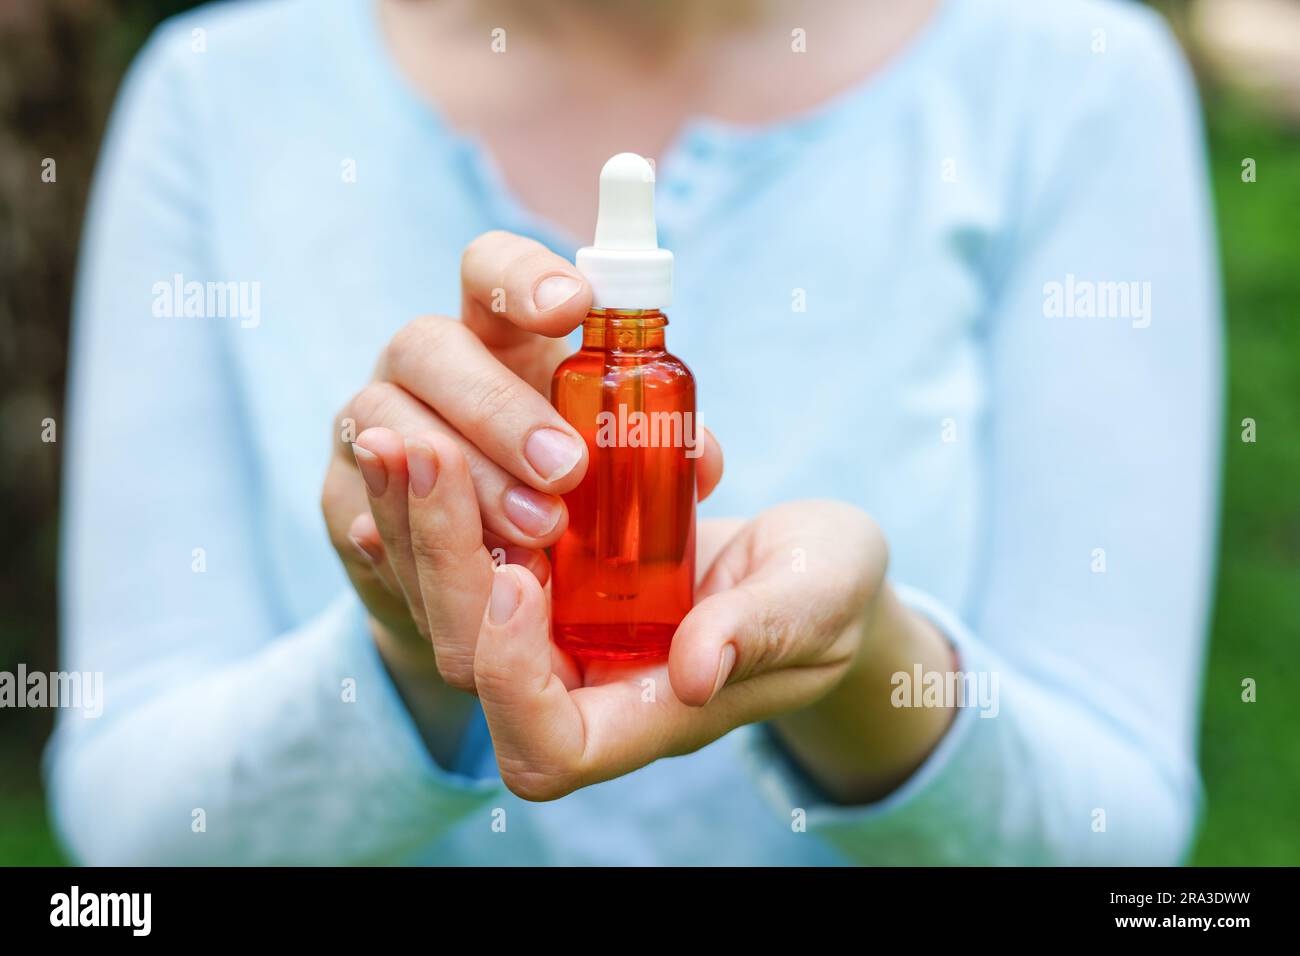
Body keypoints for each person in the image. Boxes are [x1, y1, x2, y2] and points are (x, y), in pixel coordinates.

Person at [48, 0, 1221, 865]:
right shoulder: (219, 92)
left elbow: (1118, 841)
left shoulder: (1070, 80)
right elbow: (130, 834)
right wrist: (413, 651)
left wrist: (863, 666)